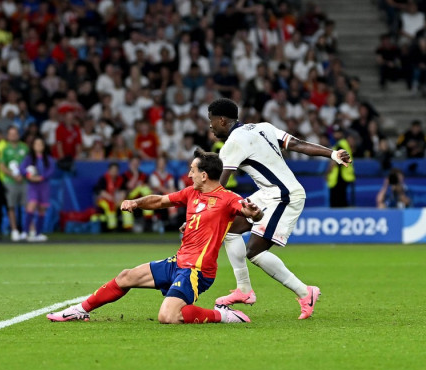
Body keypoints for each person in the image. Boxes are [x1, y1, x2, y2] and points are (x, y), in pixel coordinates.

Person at [47, 149, 264, 324]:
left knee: (168, 316)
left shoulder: (227, 198)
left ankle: (223, 315)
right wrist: (137, 203)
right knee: (126, 276)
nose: (189, 175)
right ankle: (79, 310)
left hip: (197, 271)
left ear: (204, 175)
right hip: (178, 263)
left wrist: (255, 213)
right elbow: (160, 201)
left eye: (192, 171)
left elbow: (247, 210)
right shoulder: (191, 193)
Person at [206, 98, 352, 319]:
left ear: (222, 120)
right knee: (231, 228)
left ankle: (305, 292)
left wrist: (197, 215)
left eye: (212, 121)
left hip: (284, 196)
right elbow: (297, 144)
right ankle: (243, 290)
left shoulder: (233, 144)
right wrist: (332, 153)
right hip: (269, 193)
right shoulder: (263, 127)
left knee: (254, 251)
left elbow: (220, 187)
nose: (210, 126)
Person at [19, 137, 55, 241]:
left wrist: (41, 177)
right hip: (33, 186)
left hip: (44, 186)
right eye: (36, 144)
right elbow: (22, 169)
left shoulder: (48, 159)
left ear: (44, 147)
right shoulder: (29, 158)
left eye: (40, 144)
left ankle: (38, 233)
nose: (38, 146)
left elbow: (51, 170)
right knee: (31, 206)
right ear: (33, 146)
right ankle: (25, 232)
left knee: (42, 209)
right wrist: (29, 176)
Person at [0, 126, 29, 241]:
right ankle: (14, 230)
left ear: (18, 135)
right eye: (10, 134)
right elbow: (2, 166)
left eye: (15, 133)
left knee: (27, 206)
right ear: (7, 136)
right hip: (10, 181)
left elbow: (29, 163)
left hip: (24, 180)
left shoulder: (24, 147)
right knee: (11, 206)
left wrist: (23, 175)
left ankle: (29, 231)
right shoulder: (5, 149)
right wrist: (13, 176)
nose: (13, 136)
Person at [328, 127, 356, 208]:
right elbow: (336, 160)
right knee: (339, 203)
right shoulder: (342, 144)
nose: (353, 141)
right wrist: (328, 172)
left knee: (339, 203)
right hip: (339, 178)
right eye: (352, 139)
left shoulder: (342, 145)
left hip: (341, 178)